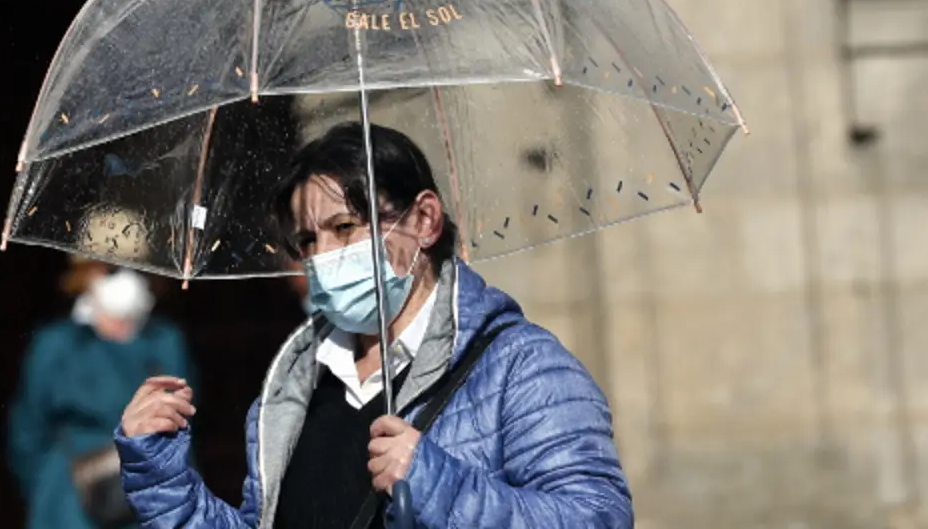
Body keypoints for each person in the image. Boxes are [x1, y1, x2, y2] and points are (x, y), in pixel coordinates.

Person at [114, 122, 633, 528]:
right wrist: (160, 474)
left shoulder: (521, 366)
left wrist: (437, 485)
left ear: (425, 221)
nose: (323, 256)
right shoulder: (291, 389)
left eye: (345, 227)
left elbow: (597, 518)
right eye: (307, 241)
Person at [8, 257, 197, 529]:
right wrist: (51, 491)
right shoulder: (55, 344)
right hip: (70, 501)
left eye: (134, 268)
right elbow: (27, 434)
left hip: (151, 497)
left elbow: (183, 419)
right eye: (111, 269)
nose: (124, 278)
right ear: (85, 275)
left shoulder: (165, 340)